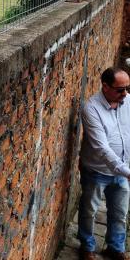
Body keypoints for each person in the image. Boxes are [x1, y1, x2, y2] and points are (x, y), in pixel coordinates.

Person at [78, 67, 130, 260]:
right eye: (120, 89)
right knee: (89, 211)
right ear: (105, 86)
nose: (125, 93)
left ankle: (115, 248)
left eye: (127, 88)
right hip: (96, 171)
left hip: (122, 171)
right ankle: (87, 246)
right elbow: (101, 148)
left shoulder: (128, 101)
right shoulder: (91, 109)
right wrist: (127, 171)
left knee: (120, 213)